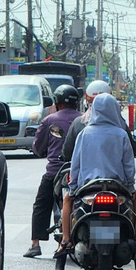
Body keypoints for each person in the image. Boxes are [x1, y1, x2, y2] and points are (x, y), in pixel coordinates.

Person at [52, 93, 136, 270]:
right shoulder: (121, 134)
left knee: (67, 200)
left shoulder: (84, 134)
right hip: (118, 187)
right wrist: (129, 187)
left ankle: (64, 241)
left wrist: (73, 188)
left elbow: (76, 164)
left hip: (87, 188)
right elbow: (129, 166)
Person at [23, 84, 82, 259]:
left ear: (57, 102)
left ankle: (35, 243)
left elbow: (38, 148)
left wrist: (40, 150)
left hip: (56, 172)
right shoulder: (85, 119)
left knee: (41, 205)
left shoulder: (49, 120)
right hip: (81, 172)